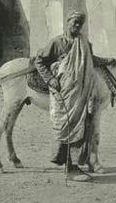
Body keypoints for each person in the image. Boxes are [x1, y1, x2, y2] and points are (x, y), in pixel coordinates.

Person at [33, 11, 109, 182]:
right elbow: (39, 61)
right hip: (62, 92)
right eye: (74, 22)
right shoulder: (56, 42)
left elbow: (92, 60)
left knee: (79, 127)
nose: (77, 26)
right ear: (67, 23)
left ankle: (74, 166)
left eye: (80, 24)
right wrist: (50, 79)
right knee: (64, 126)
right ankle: (68, 165)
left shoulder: (84, 44)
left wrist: (109, 61)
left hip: (80, 94)